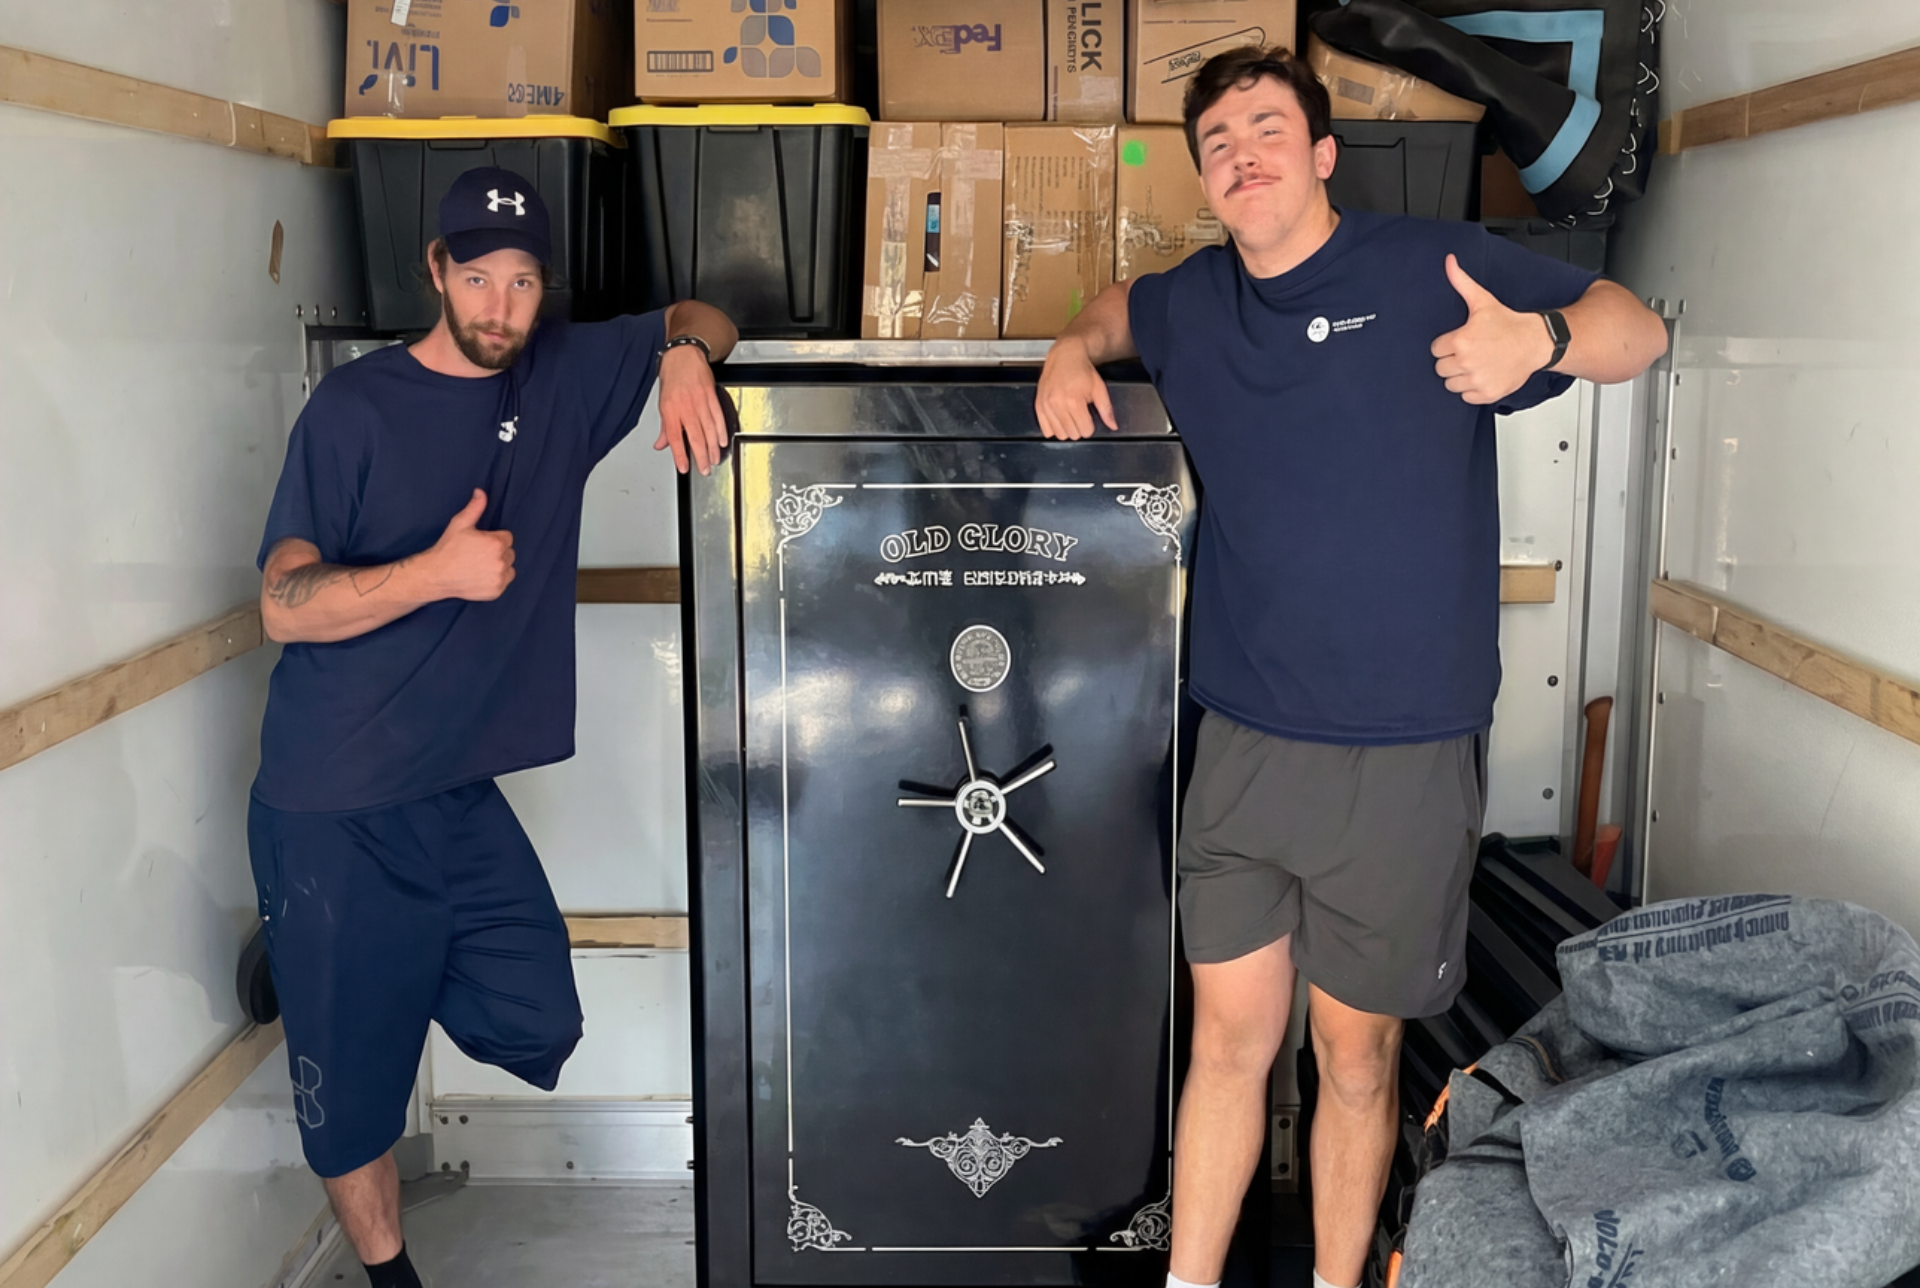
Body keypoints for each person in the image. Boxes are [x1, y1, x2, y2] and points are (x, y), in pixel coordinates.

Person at [1035, 47, 1667, 1288]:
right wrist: (1070, 344)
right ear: (1207, 179)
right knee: (1225, 1048)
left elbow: (1635, 328)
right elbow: (1120, 307)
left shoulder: (1429, 268)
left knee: (1357, 1055)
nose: (1244, 153)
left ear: (1323, 155)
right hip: (1244, 739)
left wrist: (1534, 341)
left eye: (1268, 128)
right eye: (1219, 141)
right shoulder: (1196, 300)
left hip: (1402, 746)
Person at [247, 166, 736, 1288]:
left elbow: (707, 311)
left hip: (451, 792)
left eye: (521, 281)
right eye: (478, 278)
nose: (500, 307)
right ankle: (390, 1270)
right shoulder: (354, 409)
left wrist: (682, 351)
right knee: (357, 1090)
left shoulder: (559, 371)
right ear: (435, 270)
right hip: (335, 797)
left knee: (535, 1010)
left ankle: (328, 968)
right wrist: (436, 572)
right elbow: (282, 602)